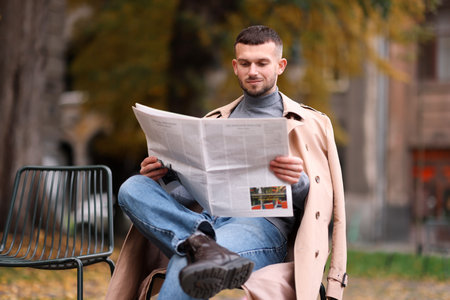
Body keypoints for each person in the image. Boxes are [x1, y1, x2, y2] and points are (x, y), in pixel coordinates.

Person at [106, 25, 347, 300]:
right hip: (207, 218)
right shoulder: (214, 121)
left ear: (280, 66)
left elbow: (325, 207)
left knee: (189, 261)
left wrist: (298, 182)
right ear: (235, 66)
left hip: (261, 226)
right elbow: (192, 195)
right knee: (132, 188)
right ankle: (201, 242)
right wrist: (165, 177)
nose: (252, 71)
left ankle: (198, 246)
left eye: (261, 63)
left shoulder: (311, 124)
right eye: (245, 63)